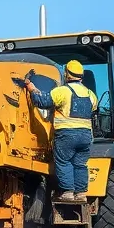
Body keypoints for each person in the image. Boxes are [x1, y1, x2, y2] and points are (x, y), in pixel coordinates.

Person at [23, 60, 98, 202]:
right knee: (80, 164)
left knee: (64, 162)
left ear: (66, 74)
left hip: (67, 135)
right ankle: (81, 194)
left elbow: (43, 102)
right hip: (85, 136)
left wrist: (31, 88)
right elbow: (93, 110)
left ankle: (68, 192)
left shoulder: (62, 91)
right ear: (81, 76)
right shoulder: (90, 94)